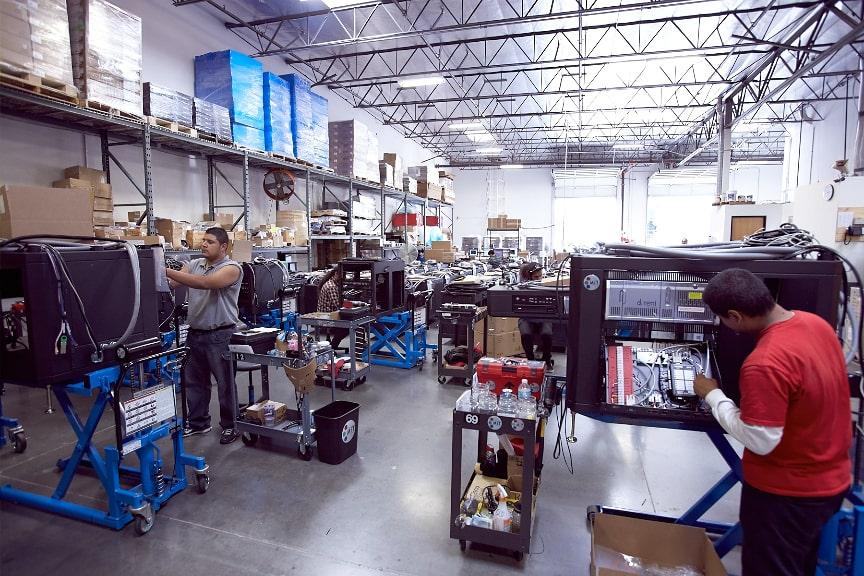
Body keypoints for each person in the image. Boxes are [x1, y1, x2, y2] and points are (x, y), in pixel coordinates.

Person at [693, 268, 851, 576]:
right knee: (799, 566)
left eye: (722, 319)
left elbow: (760, 439)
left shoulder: (765, 363)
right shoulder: (816, 324)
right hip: (830, 482)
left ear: (735, 316)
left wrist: (713, 395)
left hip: (787, 496)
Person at [166, 227, 243, 445]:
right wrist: (160, 268)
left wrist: (166, 270)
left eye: (210, 241)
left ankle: (231, 425)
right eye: (203, 240)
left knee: (225, 383)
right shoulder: (196, 264)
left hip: (221, 335)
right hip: (195, 333)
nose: (204, 244)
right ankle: (198, 423)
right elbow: (174, 283)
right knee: (194, 382)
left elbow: (205, 283)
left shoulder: (231, 268)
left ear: (223, 246)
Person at [518, 262, 554, 370]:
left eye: (540, 276)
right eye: (535, 277)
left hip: (544, 316)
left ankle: (547, 359)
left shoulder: (547, 286)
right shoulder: (523, 287)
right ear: (529, 277)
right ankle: (530, 360)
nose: (539, 279)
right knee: (526, 334)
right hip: (527, 317)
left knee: (547, 333)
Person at [317, 266, 348, 350]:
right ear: (336, 274)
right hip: (326, 315)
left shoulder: (334, 284)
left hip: (330, 312)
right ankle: (332, 347)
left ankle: (333, 345)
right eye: (343, 276)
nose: (344, 278)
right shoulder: (331, 286)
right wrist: (353, 305)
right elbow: (337, 304)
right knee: (347, 327)